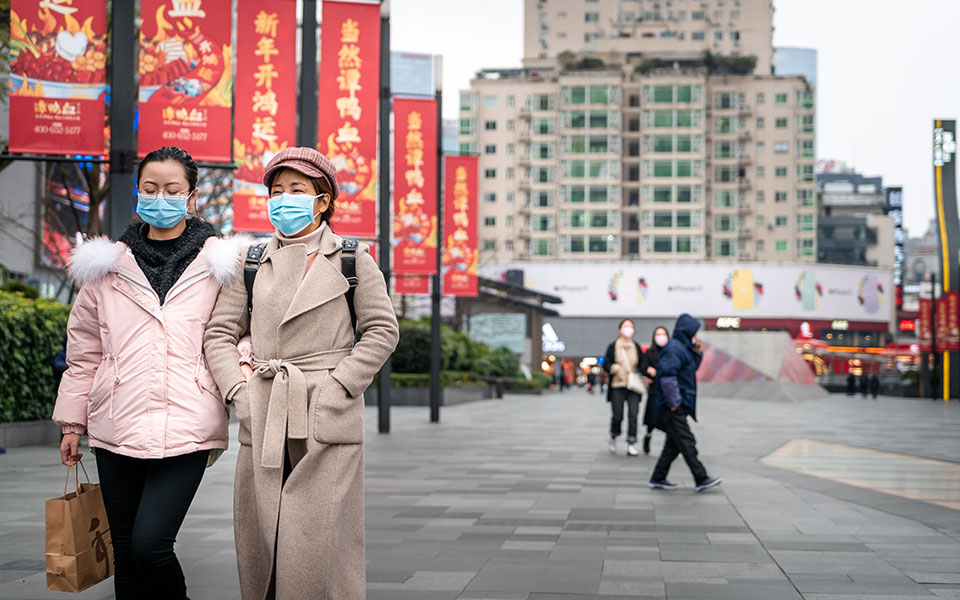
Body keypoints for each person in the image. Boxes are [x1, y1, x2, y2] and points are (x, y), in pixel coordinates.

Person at [52, 146, 248, 599]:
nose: (161, 197)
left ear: (192, 196)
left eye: (172, 189)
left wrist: (237, 382)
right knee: (125, 551)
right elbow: (85, 353)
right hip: (116, 421)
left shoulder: (224, 267)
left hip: (188, 422)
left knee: (151, 544)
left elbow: (243, 334)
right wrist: (71, 423)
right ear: (137, 191)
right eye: (150, 188)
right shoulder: (106, 269)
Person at [203, 146, 399, 600]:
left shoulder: (353, 259)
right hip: (266, 407)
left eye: (296, 190)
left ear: (323, 200)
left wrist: (340, 385)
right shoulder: (249, 261)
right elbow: (218, 334)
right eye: (275, 191)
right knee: (264, 533)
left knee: (320, 536)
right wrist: (239, 391)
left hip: (327, 409)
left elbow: (381, 330)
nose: (283, 199)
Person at [649, 314, 721, 492]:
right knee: (687, 441)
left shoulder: (682, 348)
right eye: (694, 332)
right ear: (687, 331)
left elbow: (688, 371)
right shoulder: (674, 348)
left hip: (677, 403)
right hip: (673, 406)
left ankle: (658, 477)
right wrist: (674, 403)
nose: (696, 336)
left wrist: (696, 354)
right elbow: (667, 376)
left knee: (673, 445)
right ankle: (701, 477)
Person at [602, 319, 644, 456]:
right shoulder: (613, 346)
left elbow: (643, 364)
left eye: (631, 327)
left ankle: (631, 442)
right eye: (626, 326)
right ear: (620, 330)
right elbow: (606, 363)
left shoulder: (636, 346)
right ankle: (614, 435)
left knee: (633, 414)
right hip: (617, 385)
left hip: (633, 385)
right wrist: (613, 368)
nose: (628, 329)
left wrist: (647, 371)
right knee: (617, 415)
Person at [639, 326, 670, 455]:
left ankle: (670, 442)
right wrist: (648, 372)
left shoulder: (671, 352)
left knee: (668, 419)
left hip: (668, 390)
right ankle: (648, 435)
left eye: (663, 334)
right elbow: (643, 367)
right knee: (652, 417)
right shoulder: (650, 352)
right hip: (654, 389)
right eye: (658, 334)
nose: (660, 336)